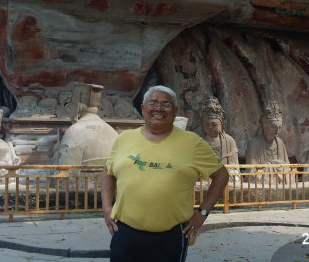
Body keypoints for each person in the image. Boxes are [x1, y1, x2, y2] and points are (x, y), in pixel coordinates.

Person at [101, 85, 229, 262]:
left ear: (175, 111)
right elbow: (108, 171)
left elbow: (221, 175)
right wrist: (107, 208)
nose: (158, 108)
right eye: (153, 103)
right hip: (125, 233)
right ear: (143, 108)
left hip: (170, 236)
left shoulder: (192, 143)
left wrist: (203, 213)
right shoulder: (124, 138)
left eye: (166, 104)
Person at [245, 102, 293, 184]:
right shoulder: (253, 143)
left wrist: (278, 166)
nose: (277, 131)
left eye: (280, 127)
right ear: (265, 125)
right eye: (274, 127)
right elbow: (251, 170)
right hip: (262, 182)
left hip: (279, 182)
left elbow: (287, 167)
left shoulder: (280, 143)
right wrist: (271, 167)